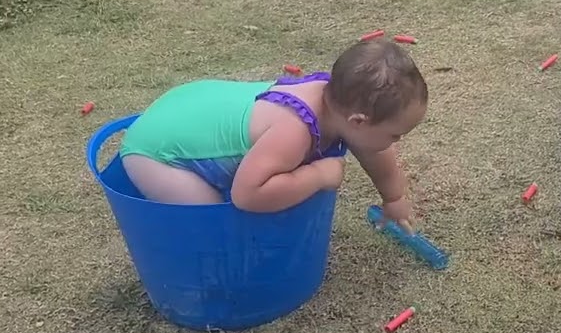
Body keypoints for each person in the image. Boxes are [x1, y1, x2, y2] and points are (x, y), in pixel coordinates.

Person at [118, 37, 427, 230]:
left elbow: (375, 151)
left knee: (251, 190)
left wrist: (394, 197)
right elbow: (247, 196)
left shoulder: (340, 102)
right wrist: (318, 176)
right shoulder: (293, 129)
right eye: (395, 136)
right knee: (212, 220)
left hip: (190, 108)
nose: (395, 143)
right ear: (359, 121)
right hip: (157, 152)